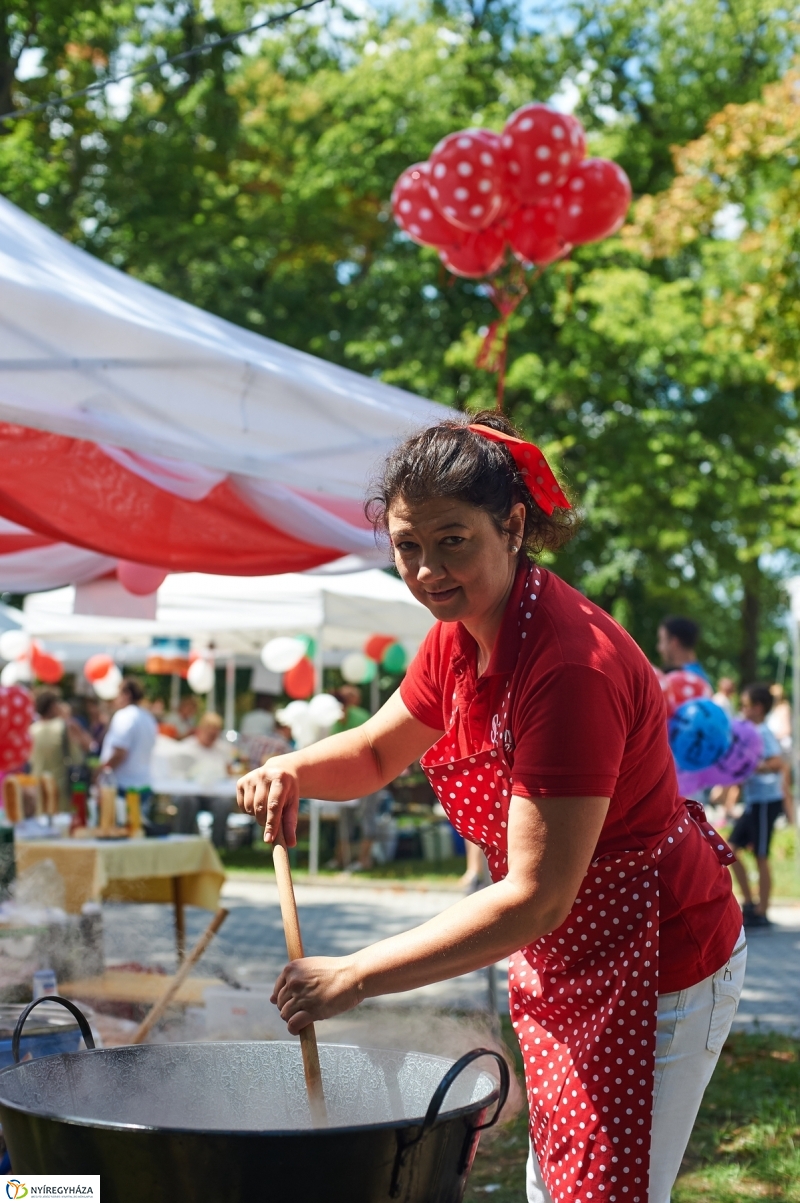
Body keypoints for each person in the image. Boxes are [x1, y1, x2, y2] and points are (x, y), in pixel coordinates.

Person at [238, 412, 745, 1203]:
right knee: (561, 1182)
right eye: (409, 545)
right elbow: (376, 752)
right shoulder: (456, 632)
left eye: (452, 541)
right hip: (564, 949)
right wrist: (291, 768)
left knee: (604, 1192)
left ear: (512, 526)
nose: (428, 569)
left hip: (656, 956)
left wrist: (356, 973)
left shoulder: (570, 666)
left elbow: (534, 896)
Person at [729, 683, 788, 927]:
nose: (742, 710)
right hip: (754, 801)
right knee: (730, 851)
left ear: (758, 708)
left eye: (745, 705)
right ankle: (750, 903)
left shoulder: (762, 731)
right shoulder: (751, 732)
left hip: (766, 801)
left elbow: (776, 762)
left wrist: (753, 766)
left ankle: (762, 911)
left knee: (761, 854)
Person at [332, 686, 378, 869]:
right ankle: (343, 859)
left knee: (366, 816)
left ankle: (363, 860)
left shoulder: (359, 716)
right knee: (346, 817)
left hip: (369, 774)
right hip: (350, 776)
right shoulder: (336, 720)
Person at [173, 711, 235, 846]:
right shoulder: (186, 748)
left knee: (223, 804)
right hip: (190, 793)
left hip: (214, 794)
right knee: (188, 802)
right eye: (209, 730)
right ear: (200, 729)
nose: (212, 734)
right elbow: (177, 775)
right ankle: (182, 842)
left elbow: (229, 772)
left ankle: (217, 845)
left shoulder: (223, 749)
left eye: (216, 731)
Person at [99, 678, 157, 809]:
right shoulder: (148, 718)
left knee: (121, 827)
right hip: (143, 784)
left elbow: (120, 753)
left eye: (118, 694)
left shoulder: (124, 716)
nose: (115, 699)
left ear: (126, 695)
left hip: (124, 787)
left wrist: (100, 772)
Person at [29, 692, 92, 809]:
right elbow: (89, 745)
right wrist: (67, 716)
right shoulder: (66, 725)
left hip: (38, 790)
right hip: (61, 792)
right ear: (53, 706)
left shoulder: (31, 730)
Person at [656, 615, 710, 681]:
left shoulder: (681, 681)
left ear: (674, 642)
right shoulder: (701, 678)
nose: (659, 648)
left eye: (662, 640)